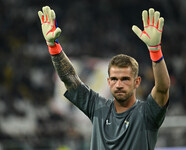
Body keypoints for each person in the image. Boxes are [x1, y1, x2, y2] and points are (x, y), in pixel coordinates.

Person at [38, 6, 170, 150]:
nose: (119, 84)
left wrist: (155, 50)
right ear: (108, 81)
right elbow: (70, 79)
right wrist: (53, 46)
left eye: (125, 79)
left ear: (137, 82)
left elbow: (162, 89)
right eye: (114, 79)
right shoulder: (97, 107)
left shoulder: (147, 114)